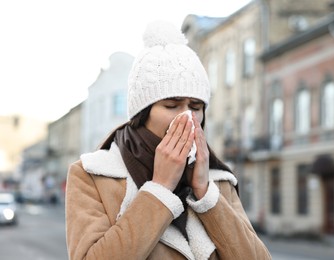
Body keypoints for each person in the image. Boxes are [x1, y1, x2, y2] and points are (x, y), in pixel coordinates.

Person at [65, 20, 272, 260]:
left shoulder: (217, 179)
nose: (187, 116)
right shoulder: (93, 175)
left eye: (196, 106)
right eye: (171, 105)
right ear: (143, 113)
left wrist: (206, 194)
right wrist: (160, 188)